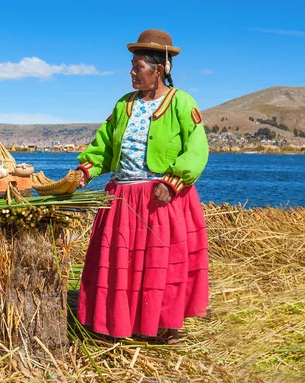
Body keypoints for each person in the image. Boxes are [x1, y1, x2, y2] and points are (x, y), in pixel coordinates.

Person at [76, 29, 209, 343]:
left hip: (161, 197)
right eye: (132, 66)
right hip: (122, 196)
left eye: (138, 67)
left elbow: (197, 148)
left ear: (158, 70)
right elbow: (104, 146)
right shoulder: (124, 105)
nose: (132, 72)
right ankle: (116, 323)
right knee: (120, 264)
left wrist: (173, 181)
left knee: (160, 265)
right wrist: (84, 173)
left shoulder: (180, 102)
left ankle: (163, 325)